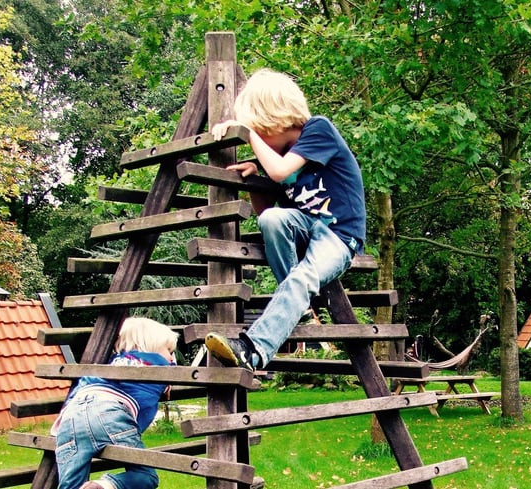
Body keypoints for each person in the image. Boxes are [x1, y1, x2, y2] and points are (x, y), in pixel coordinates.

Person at [206, 68, 366, 371]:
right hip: (305, 225)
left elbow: (281, 171)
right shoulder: (278, 155)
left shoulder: (318, 130)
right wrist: (254, 175)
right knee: (272, 220)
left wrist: (249, 135)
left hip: (339, 235)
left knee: (303, 278)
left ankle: (252, 351)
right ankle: (300, 307)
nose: (260, 142)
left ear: (275, 121)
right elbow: (268, 213)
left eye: (260, 132)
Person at [52, 317, 179, 489]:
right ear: (148, 347)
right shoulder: (155, 365)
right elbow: (173, 374)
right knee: (146, 475)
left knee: (71, 485)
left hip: (71, 417)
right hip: (110, 414)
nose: (172, 358)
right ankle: (103, 486)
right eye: (169, 350)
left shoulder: (109, 364)